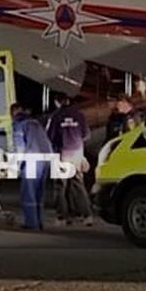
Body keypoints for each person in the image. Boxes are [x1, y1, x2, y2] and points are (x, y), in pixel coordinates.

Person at [45, 92, 93, 226]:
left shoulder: (55, 116)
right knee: (78, 185)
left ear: (57, 102)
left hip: (62, 154)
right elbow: (86, 135)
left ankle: (62, 217)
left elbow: (49, 136)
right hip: (77, 154)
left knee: (60, 187)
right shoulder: (79, 115)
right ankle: (87, 215)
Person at [12, 103, 53, 230]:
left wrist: (17, 165)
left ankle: (31, 223)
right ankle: (39, 222)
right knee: (39, 192)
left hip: (32, 160)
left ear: (13, 113)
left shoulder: (19, 124)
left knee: (29, 192)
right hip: (46, 158)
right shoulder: (36, 122)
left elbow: (20, 146)